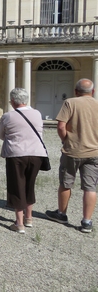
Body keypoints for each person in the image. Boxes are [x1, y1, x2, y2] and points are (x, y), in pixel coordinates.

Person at [46, 78, 98, 233]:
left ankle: (62, 214)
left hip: (73, 150)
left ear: (76, 91)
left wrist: (65, 140)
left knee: (66, 182)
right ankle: (87, 221)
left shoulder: (70, 102)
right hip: (94, 151)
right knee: (90, 187)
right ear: (93, 92)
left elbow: (61, 126)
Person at [0, 88, 45, 233]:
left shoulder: (8, 116)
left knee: (17, 186)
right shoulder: (37, 113)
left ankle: (19, 223)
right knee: (29, 185)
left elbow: (2, 135)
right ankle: (29, 217)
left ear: (12, 101)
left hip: (16, 154)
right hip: (36, 153)